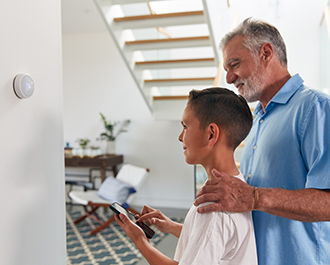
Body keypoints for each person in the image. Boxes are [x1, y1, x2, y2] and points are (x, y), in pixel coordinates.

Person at [194, 18, 330, 265]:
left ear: (266, 53)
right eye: (225, 69)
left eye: (234, 64)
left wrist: (256, 197)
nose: (228, 77)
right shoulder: (256, 120)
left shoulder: (317, 108)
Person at [115, 87, 258, 265]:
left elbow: (211, 232)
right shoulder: (234, 188)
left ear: (211, 134)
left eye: (185, 126)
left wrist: (140, 241)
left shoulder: (214, 207)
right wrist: (171, 226)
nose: (180, 137)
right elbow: (211, 242)